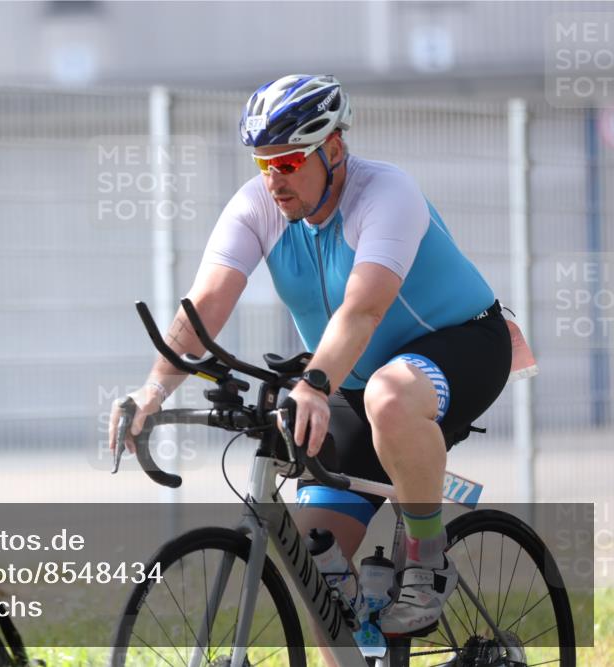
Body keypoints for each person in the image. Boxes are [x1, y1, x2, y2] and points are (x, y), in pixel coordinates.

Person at [107, 74, 511, 642]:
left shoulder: (386, 193)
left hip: (463, 345)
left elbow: (363, 310)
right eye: (263, 164)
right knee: (319, 578)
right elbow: (206, 305)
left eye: (290, 163)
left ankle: (428, 555)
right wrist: (153, 389)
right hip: (352, 377)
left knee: (389, 396)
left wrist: (315, 385)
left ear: (335, 149)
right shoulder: (259, 205)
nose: (274, 180)